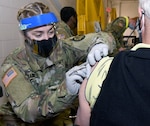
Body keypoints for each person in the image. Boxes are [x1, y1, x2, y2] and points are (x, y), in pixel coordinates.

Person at [0, 2, 118, 126]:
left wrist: (100, 44)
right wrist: (66, 91)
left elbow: (105, 37)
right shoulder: (14, 64)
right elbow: (27, 111)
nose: (47, 38)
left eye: (50, 32)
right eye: (38, 34)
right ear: (25, 35)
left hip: (57, 117)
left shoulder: (62, 48)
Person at [75, 0, 150, 125]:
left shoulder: (101, 71)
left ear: (141, 14)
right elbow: (111, 35)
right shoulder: (121, 22)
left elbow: (81, 122)